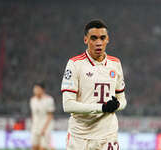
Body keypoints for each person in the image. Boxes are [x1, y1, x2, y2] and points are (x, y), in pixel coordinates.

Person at [61, 19, 127, 150]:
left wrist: (116, 106)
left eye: (102, 38)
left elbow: (122, 99)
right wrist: (102, 108)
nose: (99, 43)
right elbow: (67, 105)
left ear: (107, 39)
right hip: (80, 137)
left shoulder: (115, 63)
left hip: (107, 135)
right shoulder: (74, 64)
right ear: (86, 40)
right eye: (94, 38)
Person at [30, 82, 55, 150]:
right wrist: (33, 125)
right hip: (35, 127)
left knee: (43, 147)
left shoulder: (49, 99)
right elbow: (33, 114)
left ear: (42, 90)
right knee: (34, 146)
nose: (35, 91)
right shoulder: (32, 100)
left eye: (37, 89)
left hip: (45, 127)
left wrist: (44, 129)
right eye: (35, 89)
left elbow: (50, 116)